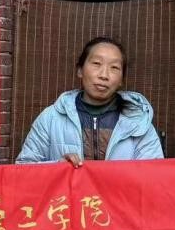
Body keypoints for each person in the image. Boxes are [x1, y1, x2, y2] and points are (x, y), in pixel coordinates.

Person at [16, 36, 164, 165]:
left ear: (121, 80)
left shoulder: (139, 123)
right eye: (96, 64)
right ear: (80, 70)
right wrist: (58, 167)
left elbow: (153, 175)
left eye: (114, 67)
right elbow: (24, 168)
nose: (104, 75)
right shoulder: (51, 119)